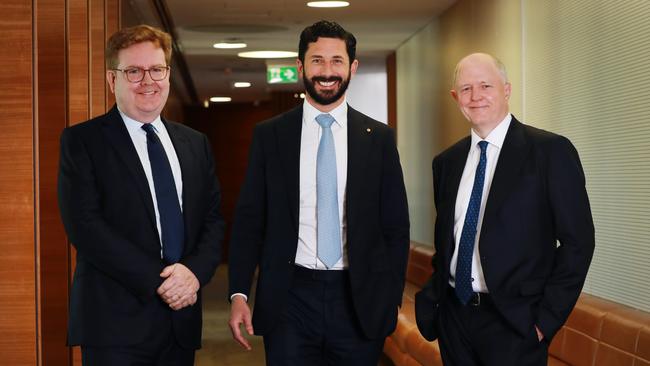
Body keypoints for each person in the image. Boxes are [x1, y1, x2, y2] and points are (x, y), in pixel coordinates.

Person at [227, 20, 410, 365]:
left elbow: (395, 226)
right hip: (289, 297)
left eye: (337, 61)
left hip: (358, 298)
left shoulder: (379, 139)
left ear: (352, 67)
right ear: (300, 66)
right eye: (317, 60)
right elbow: (250, 220)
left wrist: (391, 296)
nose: (327, 71)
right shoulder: (271, 135)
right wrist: (238, 293)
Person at [58, 24, 224, 365]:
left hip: (181, 319)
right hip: (114, 324)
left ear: (168, 74)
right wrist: (162, 282)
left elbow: (212, 220)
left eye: (156, 69)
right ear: (112, 79)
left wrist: (193, 275)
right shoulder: (83, 142)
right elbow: (85, 227)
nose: (148, 81)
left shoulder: (195, 143)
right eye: (133, 71)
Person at [415, 53, 594, 365]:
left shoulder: (550, 152)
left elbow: (578, 243)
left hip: (516, 324)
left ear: (507, 90)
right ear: (455, 97)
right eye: (466, 89)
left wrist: (544, 322)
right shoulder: (447, 162)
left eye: (486, 85)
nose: (476, 96)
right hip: (454, 318)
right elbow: (449, 242)